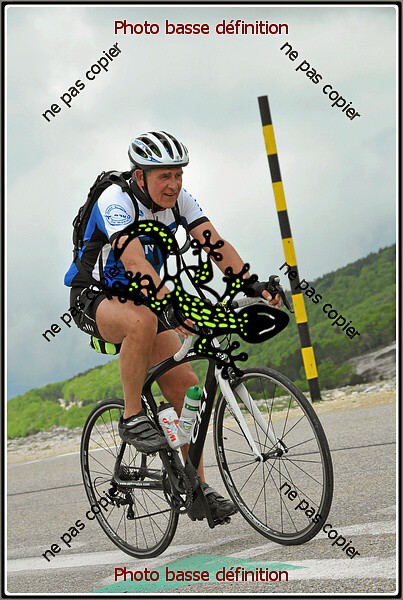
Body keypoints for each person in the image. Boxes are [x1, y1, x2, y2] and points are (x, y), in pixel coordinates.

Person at [64, 130, 281, 521]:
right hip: (94, 297)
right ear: (140, 175)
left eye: (179, 174)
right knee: (142, 320)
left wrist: (252, 284)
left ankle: (196, 487)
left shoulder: (179, 201)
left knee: (186, 387)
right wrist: (171, 304)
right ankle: (132, 417)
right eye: (164, 175)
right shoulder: (115, 200)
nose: (174, 183)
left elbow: (215, 244)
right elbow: (133, 261)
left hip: (144, 297)